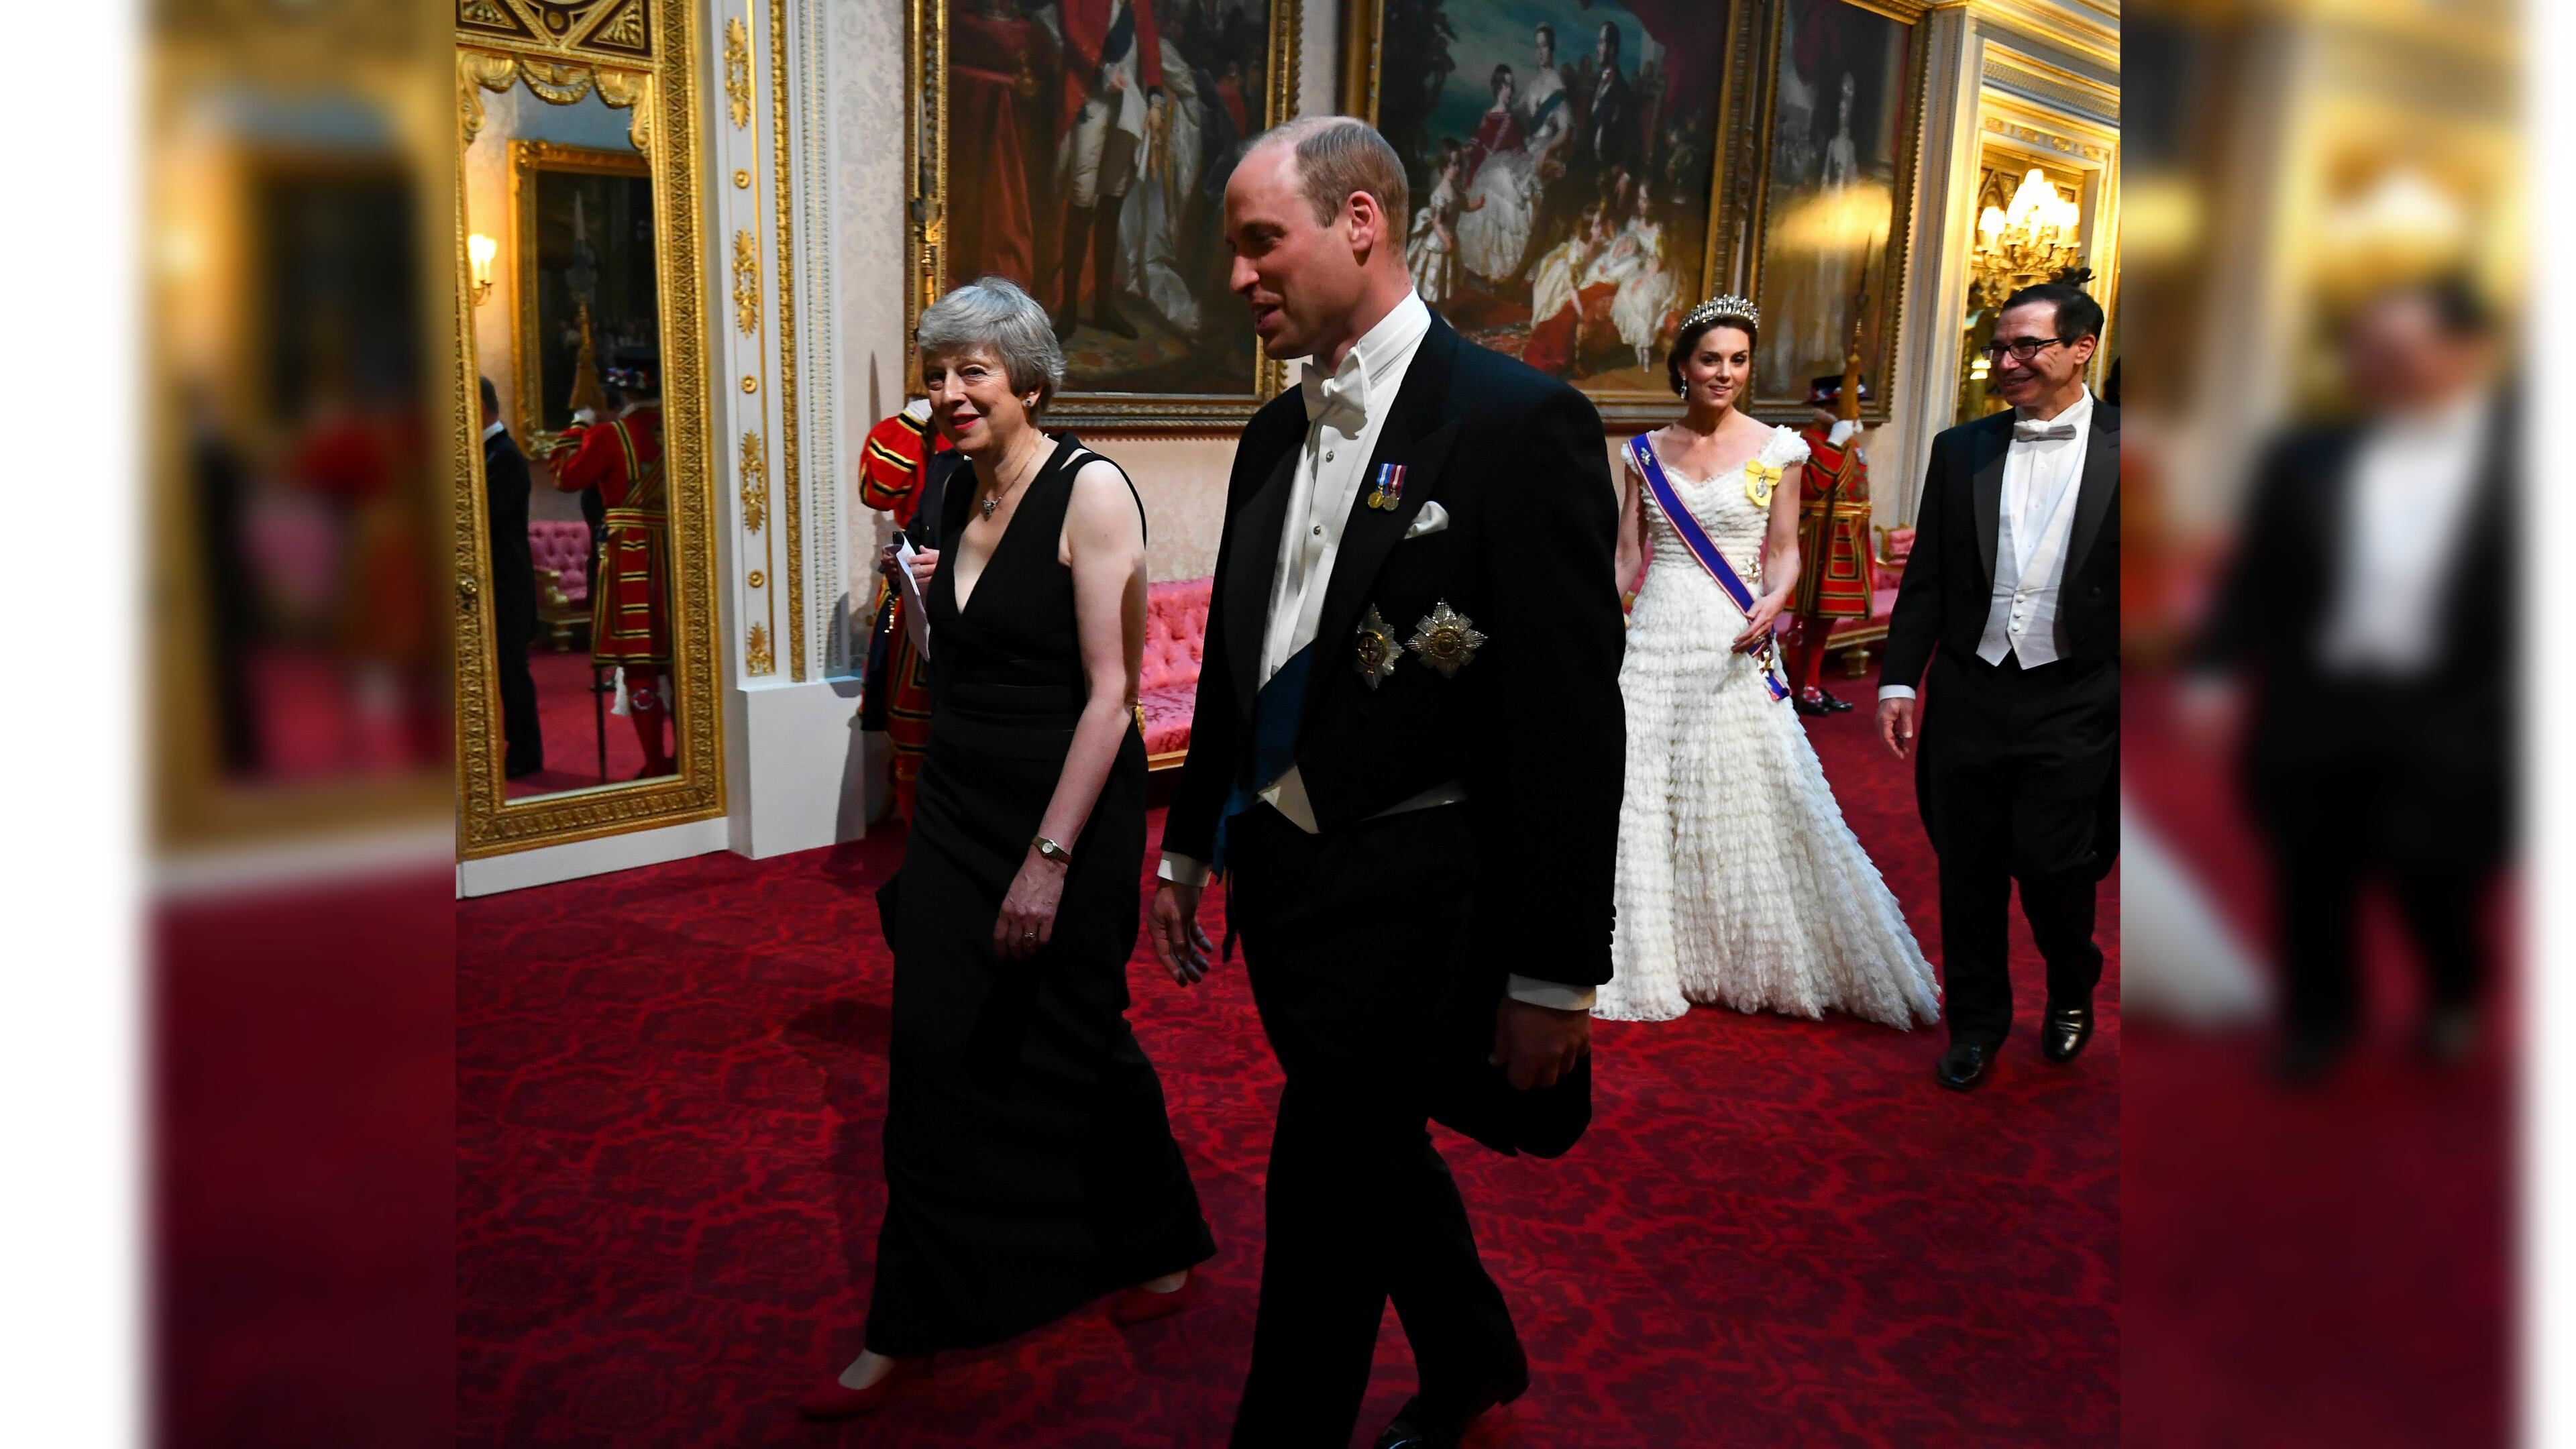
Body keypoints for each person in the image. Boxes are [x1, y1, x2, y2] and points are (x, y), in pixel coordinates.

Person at [1147, 117, 1625, 1449]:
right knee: (1372, 1156)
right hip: (1288, 896)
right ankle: (1473, 1353)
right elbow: (1247, 673)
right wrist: (1191, 845)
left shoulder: (1519, 424)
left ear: (1361, 222)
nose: (1237, 276)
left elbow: (1571, 727)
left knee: (1321, 1198)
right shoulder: (1263, 439)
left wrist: (1552, 975)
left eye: (1260, 242)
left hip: (1420, 904)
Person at [802, 276, 1215, 1419]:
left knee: (1074, 1037)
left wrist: (1048, 857)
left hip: (1065, 803)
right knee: (933, 1051)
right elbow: (958, 660)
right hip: (956, 800)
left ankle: (1156, 1239)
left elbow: (1110, 695)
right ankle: (909, 1319)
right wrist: (924, 603)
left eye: (973, 371)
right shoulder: (947, 489)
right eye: (937, 373)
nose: (949, 393)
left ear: (1030, 379)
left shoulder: (1092, 493)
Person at [2185, 278, 2510, 1082]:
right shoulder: (2306, 455)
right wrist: (2215, 669)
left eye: (2400, 350)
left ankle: (2456, 982)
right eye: (2367, 351)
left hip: (2456, 712)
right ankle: (2320, 1020)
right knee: (2312, 873)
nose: (2377, 367)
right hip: (2317, 705)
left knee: (2434, 871)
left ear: (2466, 354)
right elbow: (2258, 579)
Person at [1596, 299, 1939, 1028]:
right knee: (1641, 796)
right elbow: (1628, 557)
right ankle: (1657, 957)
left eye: (1738, 360)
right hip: (1655, 637)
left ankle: (1735, 951)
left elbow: (1785, 552)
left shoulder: (1780, 449)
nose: (1724, 373)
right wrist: (1591, 627)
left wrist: (1775, 602)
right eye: (1711, 359)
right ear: (1683, 367)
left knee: (1741, 793)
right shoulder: (1643, 454)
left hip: (1731, 637)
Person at [1878, 282, 2119, 1091]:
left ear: (2081, 348)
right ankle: (1977, 1024)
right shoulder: (1962, 449)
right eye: (1999, 347)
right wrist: (1897, 681)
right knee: (1967, 867)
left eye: (2026, 347)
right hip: (1972, 690)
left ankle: (2072, 980)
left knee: (2057, 866)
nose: (2006, 362)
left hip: (2076, 694)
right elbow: (1928, 580)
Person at [550, 352, 676, 778]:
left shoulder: (609, 435)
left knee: (640, 663)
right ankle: (693, 760)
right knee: (685, 662)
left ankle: (657, 764)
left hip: (633, 559)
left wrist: (578, 425)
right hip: (680, 556)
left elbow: (565, 476)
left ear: (620, 390)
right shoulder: (682, 431)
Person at [855, 399, 959, 824]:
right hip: (915, 596)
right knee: (912, 729)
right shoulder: (912, 430)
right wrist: (912, 422)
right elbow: (877, 493)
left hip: (973, 601)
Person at [1051, 0, 1167, 340]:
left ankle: (1103, 306)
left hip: (1128, 99)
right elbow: (1072, 28)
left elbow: (1148, 41)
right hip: (1090, 93)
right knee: (1082, 197)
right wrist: (1102, 68)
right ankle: (1070, 310)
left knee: (1113, 195)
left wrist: (1157, 97)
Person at [1783, 370, 1877, 715]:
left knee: (1825, 622)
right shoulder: (1807, 442)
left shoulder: (1849, 443)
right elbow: (1810, 487)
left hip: (1844, 541)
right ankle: (1799, 687)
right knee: (1806, 620)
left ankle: (1813, 683)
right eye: (1851, 404)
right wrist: (1834, 444)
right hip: (1817, 541)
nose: (1858, 413)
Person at [479, 376, 544, 777]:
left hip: (506, 584)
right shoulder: (487, 453)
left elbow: (487, 519)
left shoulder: (503, 456)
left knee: (512, 673)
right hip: (496, 583)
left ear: (481, 407)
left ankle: (524, 754)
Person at [1455, 66, 1536, 288]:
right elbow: (1479, 140)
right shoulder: (1489, 116)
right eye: (1506, 85)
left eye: (1511, 85)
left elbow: (1518, 148)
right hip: (1485, 172)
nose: (1509, 91)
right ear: (1498, 88)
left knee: (1507, 201)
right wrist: (1466, 151)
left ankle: (1504, 272)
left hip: (1502, 170)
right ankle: (1487, 271)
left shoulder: (1510, 120)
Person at [1405, 138, 1478, 307]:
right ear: (1444, 168)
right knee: (1434, 280)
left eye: (1459, 164)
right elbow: (1437, 222)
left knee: (1447, 282)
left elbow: (1464, 206)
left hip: (1450, 241)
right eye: (1454, 165)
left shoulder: (1456, 190)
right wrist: (1445, 240)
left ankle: (1442, 310)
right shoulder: (1441, 194)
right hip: (1438, 244)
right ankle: (1426, 309)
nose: (1458, 169)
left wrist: (1476, 205)